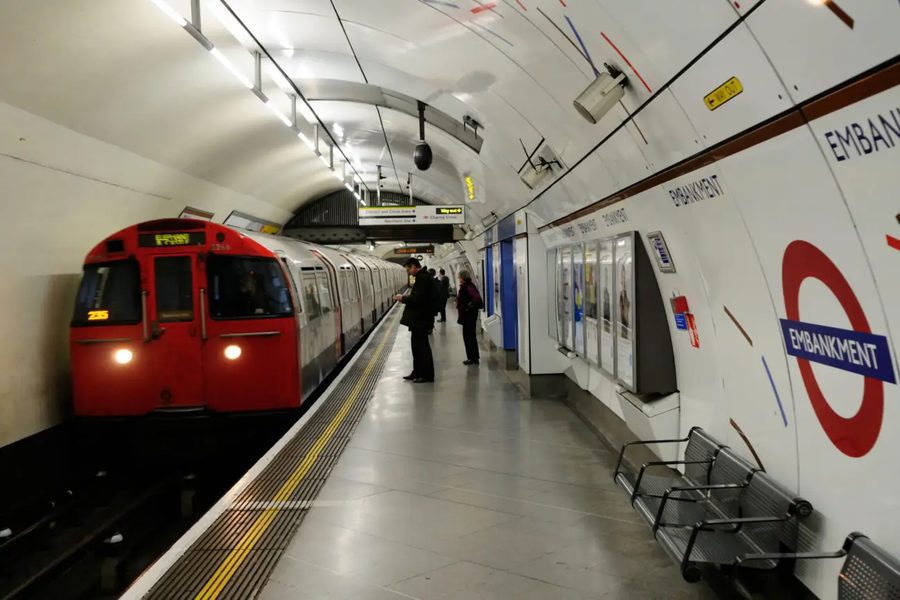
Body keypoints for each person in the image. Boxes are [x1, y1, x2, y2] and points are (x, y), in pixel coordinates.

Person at [394, 258, 435, 383]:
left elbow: (418, 300)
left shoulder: (423, 278)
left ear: (413, 266)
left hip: (421, 319)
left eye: (408, 269)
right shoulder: (422, 277)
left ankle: (426, 375)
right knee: (416, 347)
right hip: (419, 320)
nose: (408, 272)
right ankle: (417, 371)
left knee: (422, 348)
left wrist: (402, 298)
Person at [456, 270, 483, 365]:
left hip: (469, 316)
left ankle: (472, 358)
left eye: (459, 277)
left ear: (463, 278)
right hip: (468, 315)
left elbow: (477, 299)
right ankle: (473, 357)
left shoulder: (468, 287)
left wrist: (467, 307)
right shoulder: (468, 286)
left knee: (469, 336)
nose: (459, 279)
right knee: (469, 336)